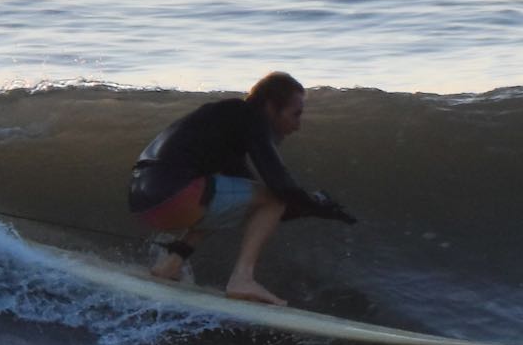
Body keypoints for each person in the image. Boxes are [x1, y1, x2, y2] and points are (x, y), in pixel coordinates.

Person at [128, 71, 355, 306]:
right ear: (271, 106)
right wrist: (316, 204)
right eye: (295, 114)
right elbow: (280, 187)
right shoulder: (250, 117)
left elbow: (253, 204)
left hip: (144, 200)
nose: (297, 125)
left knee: (232, 200)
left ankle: (170, 264)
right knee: (273, 198)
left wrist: (308, 206)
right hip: (173, 194)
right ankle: (242, 279)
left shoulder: (227, 119)